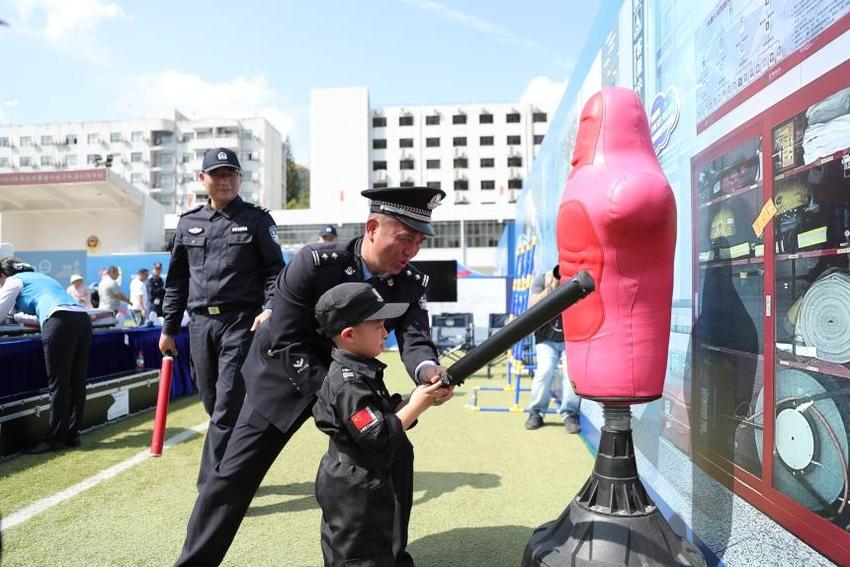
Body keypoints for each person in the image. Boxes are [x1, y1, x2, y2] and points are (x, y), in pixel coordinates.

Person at [175, 186, 450, 567]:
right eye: (405, 239)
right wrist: (336, 392)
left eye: (419, 241)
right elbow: (286, 339)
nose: (412, 251)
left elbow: (416, 338)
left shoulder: (410, 282)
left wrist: (427, 370)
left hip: (355, 384)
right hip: (285, 379)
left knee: (396, 452)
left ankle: (390, 556)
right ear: (373, 227)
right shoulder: (317, 263)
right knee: (231, 478)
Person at [159, 147, 284, 489]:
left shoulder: (258, 221)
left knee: (227, 404)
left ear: (240, 179)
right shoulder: (188, 223)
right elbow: (177, 281)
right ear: (203, 179)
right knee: (212, 401)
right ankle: (241, 466)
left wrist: (270, 308)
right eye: (218, 174)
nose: (225, 181)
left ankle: (214, 489)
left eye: (231, 174)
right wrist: (169, 328)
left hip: (241, 323)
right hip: (199, 325)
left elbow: (276, 270)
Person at [312, 282, 453, 566]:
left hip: (371, 474)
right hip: (355, 484)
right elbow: (376, 434)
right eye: (378, 326)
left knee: (384, 538)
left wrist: (418, 398)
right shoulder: (347, 382)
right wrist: (418, 404)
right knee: (359, 553)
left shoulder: (360, 369)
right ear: (349, 335)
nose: (386, 333)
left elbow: (384, 412)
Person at [0, 258, 92, 453]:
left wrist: (9, 315)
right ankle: (72, 435)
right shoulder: (42, 278)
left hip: (59, 320)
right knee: (77, 381)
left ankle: (55, 440)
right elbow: (41, 310)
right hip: (81, 318)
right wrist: (15, 316)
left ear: (2, 275)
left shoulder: (13, 281)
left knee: (59, 383)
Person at [524, 265, 581, 434]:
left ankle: (569, 413)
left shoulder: (576, 279)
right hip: (546, 339)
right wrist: (552, 286)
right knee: (544, 371)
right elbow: (532, 305)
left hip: (570, 340)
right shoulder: (543, 279)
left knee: (572, 374)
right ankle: (536, 412)